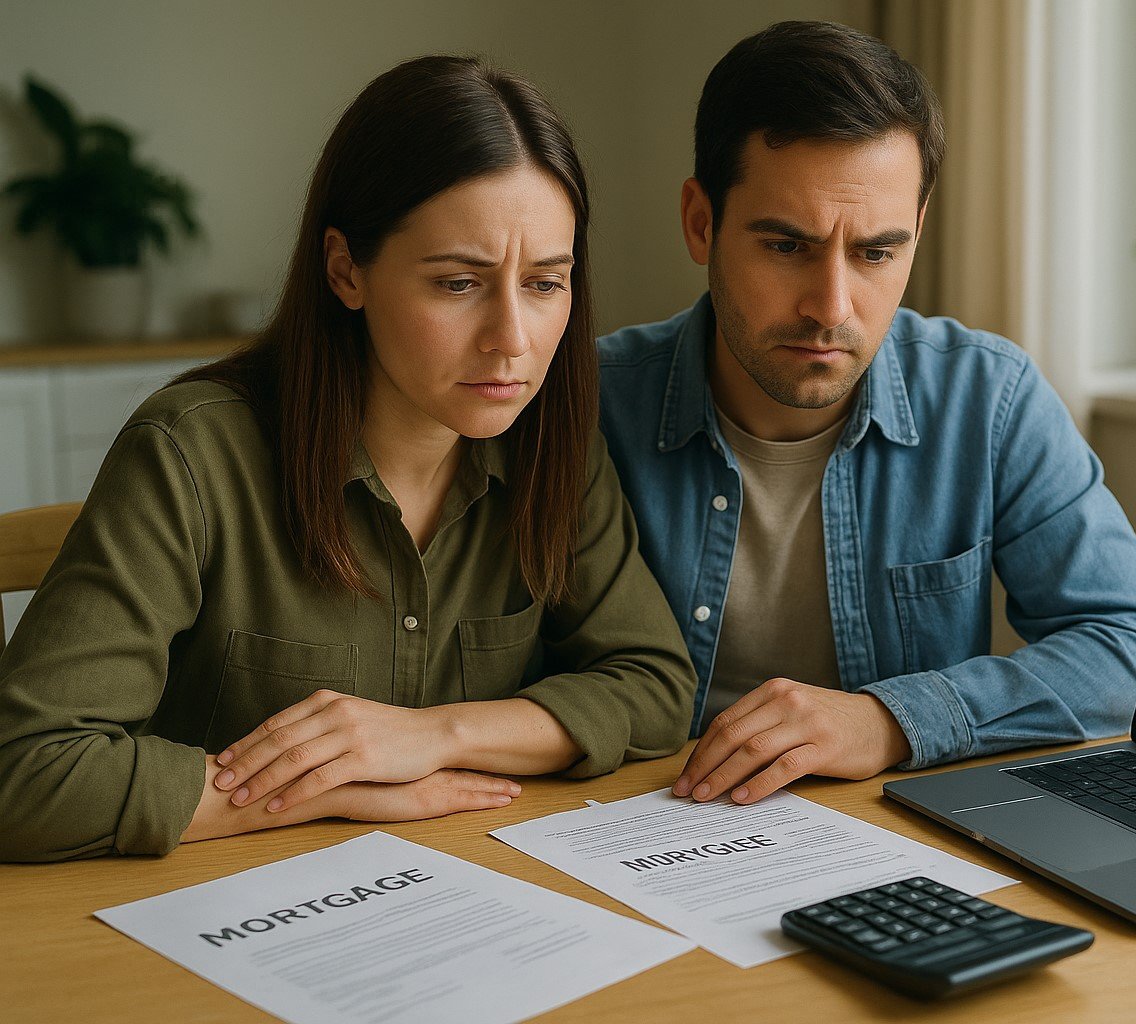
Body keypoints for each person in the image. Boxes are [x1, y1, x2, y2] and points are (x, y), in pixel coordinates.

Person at [0, 56, 695, 862]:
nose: (513, 340)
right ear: (346, 270)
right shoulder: (189, 455)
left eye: (545, 284)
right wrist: (315, 789)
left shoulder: (555, 450)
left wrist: (436, 736)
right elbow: (26, 772)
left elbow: (654, 687)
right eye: (460, 283)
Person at [597, 21, 1136, 807]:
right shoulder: (589, 405)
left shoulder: (987, 399)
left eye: (875, 253)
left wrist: (890, 720)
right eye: (787, 246)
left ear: (917, 234)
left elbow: (1135, 647)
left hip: (890, 838)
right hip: (635, 827)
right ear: (702, 222)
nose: (831, 307)